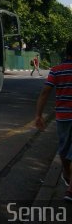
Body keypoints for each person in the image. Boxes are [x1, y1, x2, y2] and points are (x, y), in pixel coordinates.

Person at [35, 40, 72, 201]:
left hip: (63, 117)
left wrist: (38, 115)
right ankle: (69, 180)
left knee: (64, 149)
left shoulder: (56, 70)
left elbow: (45, 93)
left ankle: (70, 186)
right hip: (65, 117)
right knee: (67, 150)